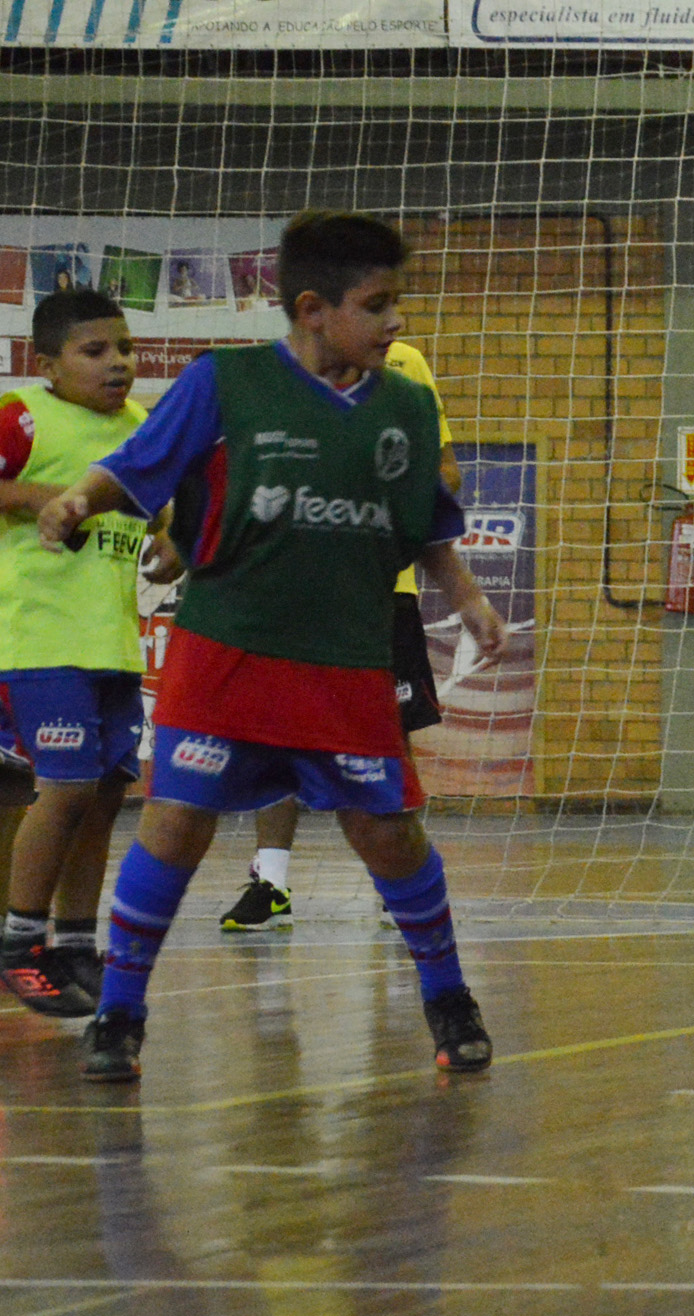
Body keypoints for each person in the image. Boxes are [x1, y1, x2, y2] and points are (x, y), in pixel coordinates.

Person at [37, 211, 505, 1083]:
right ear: (313, 308)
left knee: (391, 835)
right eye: (379, 303)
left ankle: (448, 998)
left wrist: (470, 601)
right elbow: (138, 462)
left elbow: (428, 528)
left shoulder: (402, 404)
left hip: (346, 662)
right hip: (228, 653)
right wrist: (74, 502)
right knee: (174, 825)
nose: (396, 321)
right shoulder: (229, 383)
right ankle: (120, 1014)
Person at [219, 339, 464, 933]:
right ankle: (271, 884)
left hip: (378, 589)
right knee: (274, 734)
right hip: (291, 588)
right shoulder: (275, 367)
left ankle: (398, 880)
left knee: (387, 733)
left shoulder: (404, 364)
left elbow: (448, 474)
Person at [0, 289, 174, 1017]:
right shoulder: (24, 417)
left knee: (104, 797)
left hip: (112, 643)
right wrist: (43, 494)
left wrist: (174, 540)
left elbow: (169, 510)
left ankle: (74, 942)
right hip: (39, 639)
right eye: (94, 351)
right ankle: (19, 942)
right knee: (64, 788)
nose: (118, 364)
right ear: (47, 363)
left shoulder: (142, 430)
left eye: (125, 350)